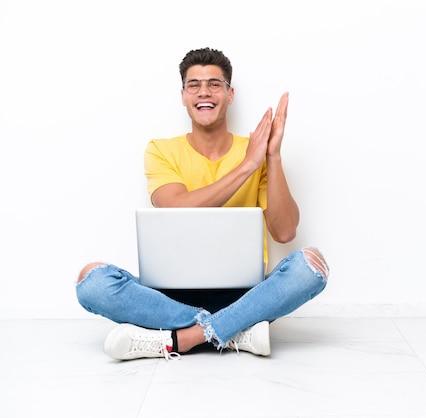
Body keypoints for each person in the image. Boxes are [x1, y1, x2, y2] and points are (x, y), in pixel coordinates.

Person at [75, 47, 329, 361]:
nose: (203, 92)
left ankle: (183, 339)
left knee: (311, 266)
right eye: (194, 85)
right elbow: (177, 206)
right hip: (168, 298)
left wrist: (271, 157)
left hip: (245, 295)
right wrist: (247, 166)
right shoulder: (161, 150)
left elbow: (285, 231)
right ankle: (236, 331)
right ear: (183, 95)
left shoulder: (258, 152)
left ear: (230, 93)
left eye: (214, 84)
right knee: (92, 282)